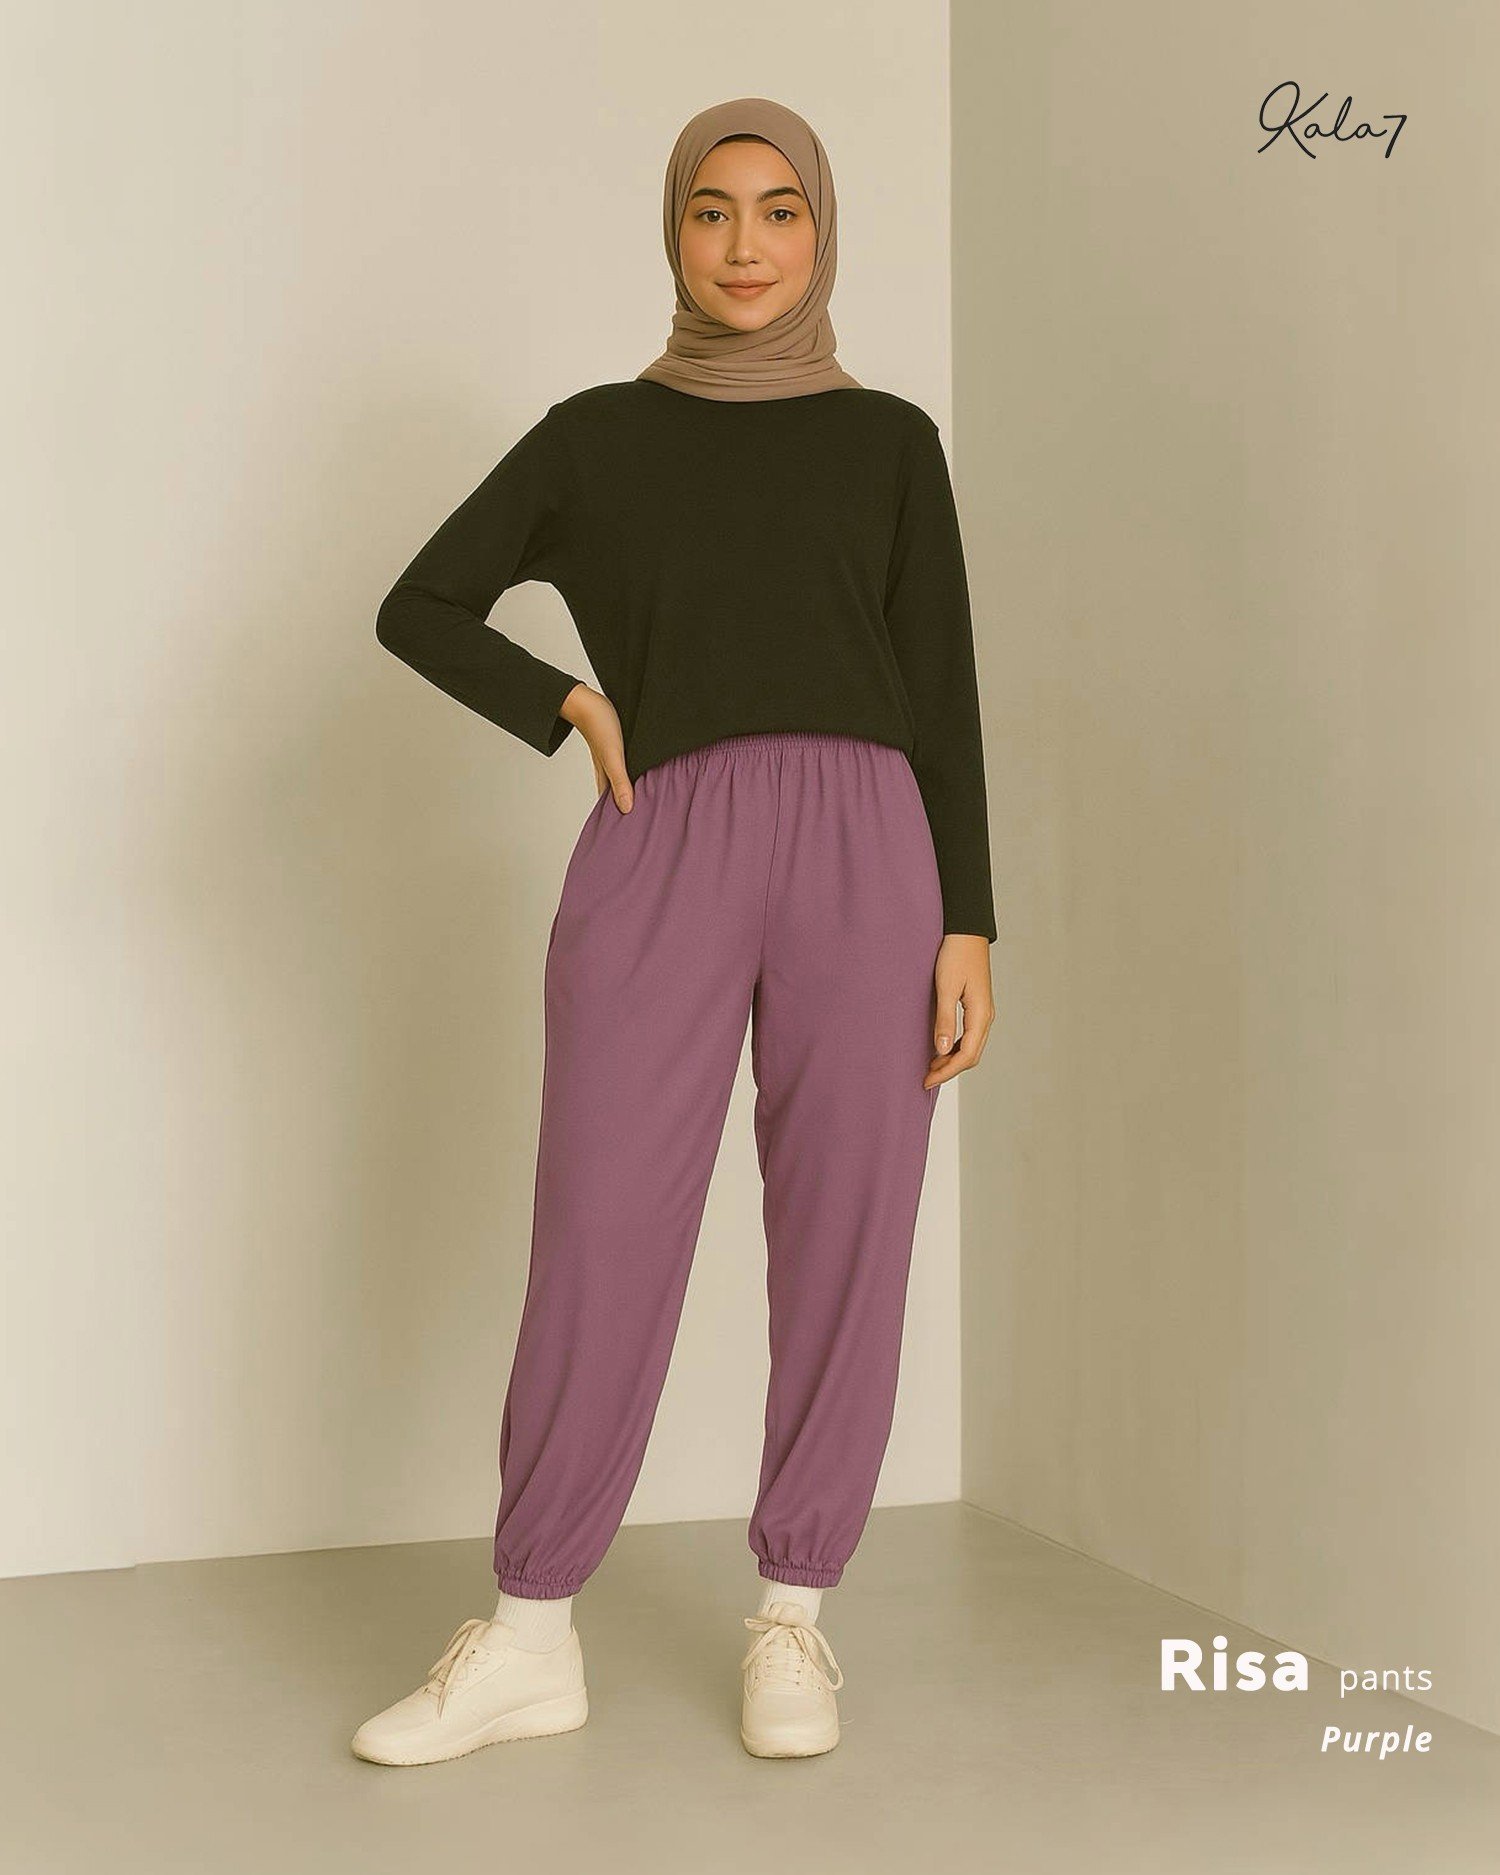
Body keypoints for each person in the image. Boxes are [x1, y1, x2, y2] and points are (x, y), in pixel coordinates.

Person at [351, 95, 996, 1768]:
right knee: (601, 1226)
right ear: (674, 232)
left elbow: (942, 690)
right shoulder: (595, 438)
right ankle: (532, 1634)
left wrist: (971, 921)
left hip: (871, 846)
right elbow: (421, 602)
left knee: (850, 1227)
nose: (745, 245)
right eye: (713, 211)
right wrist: (568, 701)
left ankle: (795, 1616)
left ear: (821, 233)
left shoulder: (890, 442)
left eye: (781, 211)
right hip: (665, 840)